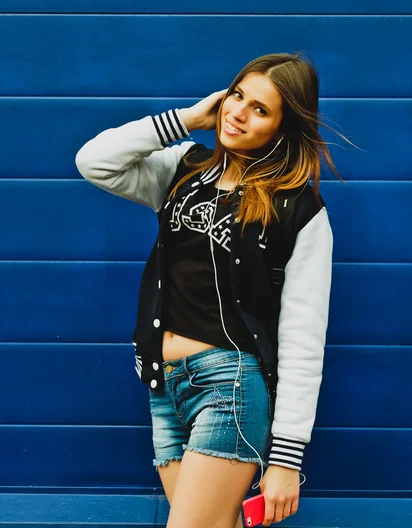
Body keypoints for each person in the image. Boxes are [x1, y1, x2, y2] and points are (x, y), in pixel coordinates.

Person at [75, 53, 341, 528]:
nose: (238, 112)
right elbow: (94, 161)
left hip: (230, 389)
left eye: (260, 109)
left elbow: (304, 339)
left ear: (283, 128)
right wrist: (187, 119)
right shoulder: (183, 169)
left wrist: (286, 459)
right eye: (237, 95)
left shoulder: (299, 210)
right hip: (165, 387)